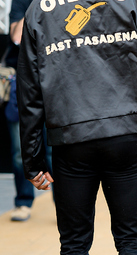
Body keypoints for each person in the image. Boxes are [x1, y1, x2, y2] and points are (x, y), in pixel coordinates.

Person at [16, 0, 137, 253]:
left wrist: (32, 159)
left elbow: (30, 91)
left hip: (71, 139)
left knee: (74, 243)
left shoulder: (40, 8)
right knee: (132, 240)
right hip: (127, 135)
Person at [4, 0, 52, 222]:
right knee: (20, 150)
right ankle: (23, 202)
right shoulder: (23, 1)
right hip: (23, 85)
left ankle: (63, 205)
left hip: (54, 83)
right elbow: (16, 36)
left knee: (56, 151)